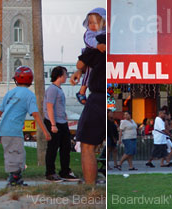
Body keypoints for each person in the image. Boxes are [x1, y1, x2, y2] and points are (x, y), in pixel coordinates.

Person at [0, 66, 52, 186]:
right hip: (13, 131)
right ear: (30, 80)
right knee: (17, 155)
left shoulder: (10, 93)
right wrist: (45, 131)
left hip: (4, 130)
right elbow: (35, 114)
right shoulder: (29, 95)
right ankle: (13, 180)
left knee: (14, 154)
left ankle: (16, 178)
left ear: (17, 80)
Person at [72, 32, 106, 184]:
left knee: (87, 145)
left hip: (98, 95)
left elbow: (80, 64)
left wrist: (79, 69)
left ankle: (90, 184)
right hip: (111, 95)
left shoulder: (97, 48)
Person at [42, 66, 78, 181]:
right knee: (52, 148)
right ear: (59, 75)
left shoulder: (59, 89)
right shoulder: (52, 89)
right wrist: (53, 124)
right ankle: (50, 173)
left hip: (62, 122)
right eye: (65, 74)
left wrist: (64, 116)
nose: (66, 77)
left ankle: (65, 171)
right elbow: (49, 106)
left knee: (66, 148)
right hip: (53, 122)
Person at [73, 8, 106, 105]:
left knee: (90, 71)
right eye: (90, 22)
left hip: (95, 59)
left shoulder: (104, 33)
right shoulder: (90, 33)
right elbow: (89, 41)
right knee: (89, 71)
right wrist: (98, 45)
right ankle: (82, 91)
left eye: (95, 23)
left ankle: (82, 91)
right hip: (90, 54)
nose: (92, 25)